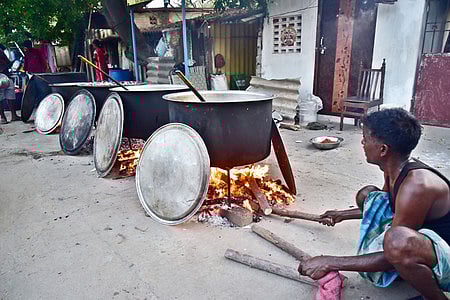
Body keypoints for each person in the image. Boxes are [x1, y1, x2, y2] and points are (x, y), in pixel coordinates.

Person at [299, 108, 450, 299]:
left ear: (383, 149)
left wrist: (330, 261)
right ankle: (408, 268)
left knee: (397, 242)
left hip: (446, 256)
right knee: (368, 195)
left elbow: (391, 253)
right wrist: (342, 214)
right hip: (426, 239)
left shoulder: (416, 186)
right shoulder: (393, 167)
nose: (362, 143)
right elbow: (386, 206)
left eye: (366, 138)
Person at [0, 44, 19, 124]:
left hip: (4, 75)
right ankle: (12, 115)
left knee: (5, 96)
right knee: (9, 95)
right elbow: (7, 64)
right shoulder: (1, 52)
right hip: (4, 75)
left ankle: (3, 117)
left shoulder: (1, 52)